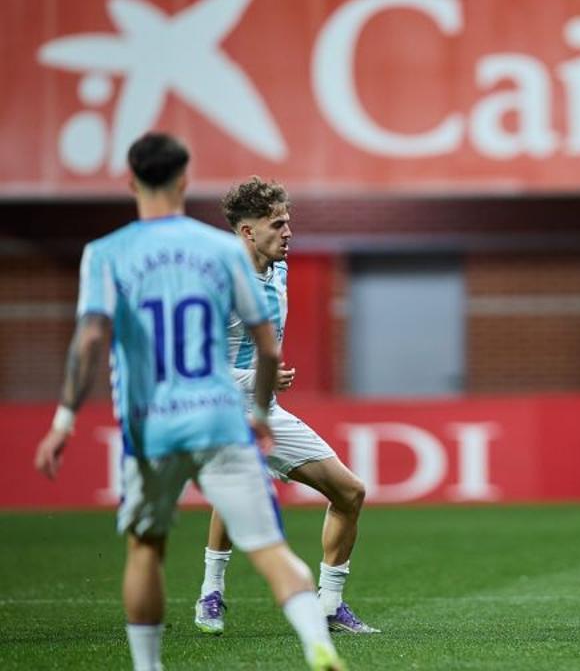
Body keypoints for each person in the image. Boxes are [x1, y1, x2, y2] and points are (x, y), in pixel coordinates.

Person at [33, 133, 345, 671]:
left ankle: (150, 664)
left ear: (130, 182)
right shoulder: (220, 251)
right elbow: (267, 344)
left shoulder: (105, 254)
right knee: (269, 546)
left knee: (146, 549)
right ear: (184, 180)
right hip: (221, 411)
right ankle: (317, 643)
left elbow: (88, 339)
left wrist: (63, 420)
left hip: (151, 420)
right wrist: (262, 409)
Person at [194, 177, 378, 636]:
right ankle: (210, 594)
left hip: (265, 408)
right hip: (221, 407)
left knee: (350, 492)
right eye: (277, 225)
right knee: (241, 484)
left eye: (289, 222)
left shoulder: (278, 269)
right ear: (247, 232)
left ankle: (329, 606)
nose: (288, 232)